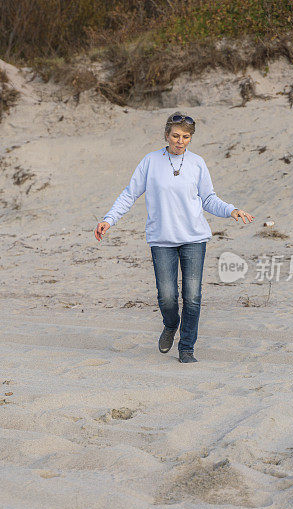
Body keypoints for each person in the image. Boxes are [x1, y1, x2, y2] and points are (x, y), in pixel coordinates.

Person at [94, 112, 254, 363]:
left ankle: (187, 347)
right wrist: (108, 219)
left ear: (191, 138)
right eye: (176, 136)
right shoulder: (150, 162)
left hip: (194, 238)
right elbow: (129, 194)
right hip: (161, 239)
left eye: (186, 137)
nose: (180, 141)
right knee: (167, 296)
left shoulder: (197, 163)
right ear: (167, 135)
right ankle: (171, 325)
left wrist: (231, 210)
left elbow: (209, 198)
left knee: (192, 296)